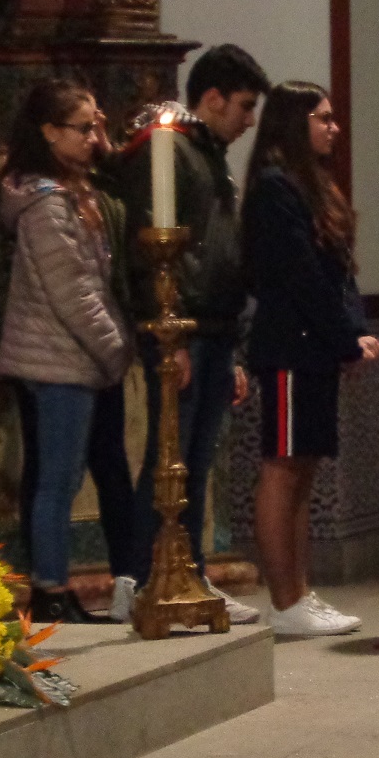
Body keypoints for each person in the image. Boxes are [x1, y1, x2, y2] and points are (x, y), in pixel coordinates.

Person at [111, 45, 270, 626]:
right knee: (167, 461)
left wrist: (235, 347)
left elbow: (221, 250)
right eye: (244, 106)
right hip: (183, 329)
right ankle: (137, 580)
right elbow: (154, 254)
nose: (249, 121)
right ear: (213, 98)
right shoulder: (169, 148)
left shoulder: (209, 154)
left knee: (196, 464)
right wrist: (170, 339)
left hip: (216, 327)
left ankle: (191, 575)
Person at [242, 82, 379, 636]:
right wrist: (344, 340)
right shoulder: (274, 188)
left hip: (316, 347)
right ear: (294, 123)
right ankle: (284, 600)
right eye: (323, 118)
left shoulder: (312, 184)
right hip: (290, 347)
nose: (334, 127)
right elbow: (300, 276)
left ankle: (299, 591)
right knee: (284, 467)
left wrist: (355, 334)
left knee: (305, 470)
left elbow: (339, 272)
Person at [0, 79, 132, 623]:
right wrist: (115, 350)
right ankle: (51, 590)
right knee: (57, 481)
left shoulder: (71, 191)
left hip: (67, 357)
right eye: (84, 128)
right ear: (49, 132)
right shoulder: (46, 205)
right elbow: (73, 293)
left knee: (63, 478)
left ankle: (54, 587)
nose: (94, 138)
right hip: (58, 359)